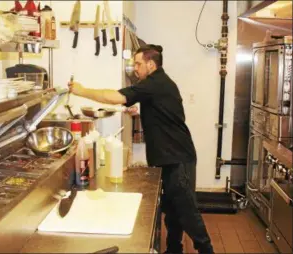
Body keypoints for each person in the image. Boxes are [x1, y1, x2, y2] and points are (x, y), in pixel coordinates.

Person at [68, 44, 214, 254]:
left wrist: (81, 90)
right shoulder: (159, 84)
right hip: (171, 156)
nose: (135, 68)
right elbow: (162, 110)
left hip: (177, 156)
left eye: (138, 63)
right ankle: (174, 250)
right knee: (172, 211)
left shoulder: (154, 83)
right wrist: (139, 112)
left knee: (186, 211)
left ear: (151, 64)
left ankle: (207, 251)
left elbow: (114, 96)